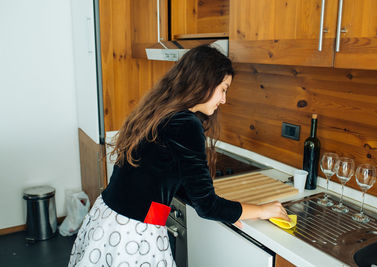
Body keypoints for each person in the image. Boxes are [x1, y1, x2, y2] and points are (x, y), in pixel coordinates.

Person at [68, 44, 290, 267]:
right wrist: (261, 210)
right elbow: (207, 205)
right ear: (204, 83)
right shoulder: (185, 124)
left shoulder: (161, 109)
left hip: (108, 219)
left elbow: (174, 181)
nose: (224, 99)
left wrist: (231, 211)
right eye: (223, 89)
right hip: (132, 233)